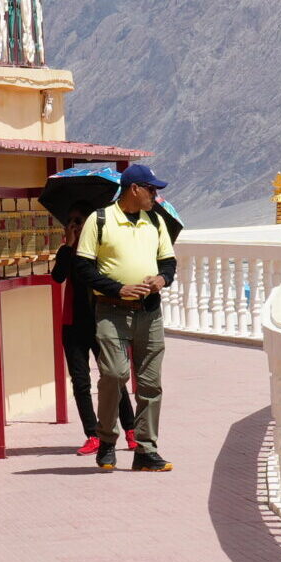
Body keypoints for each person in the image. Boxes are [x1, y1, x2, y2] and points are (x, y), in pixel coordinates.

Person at [72, 162, 176, 472]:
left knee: (150, 384)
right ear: (134, 189)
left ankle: (146, 449)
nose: (155, 196)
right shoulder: (100, 220)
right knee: (115, 375)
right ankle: (106, 441)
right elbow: (84, 268)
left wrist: (161, 280)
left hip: (150, 311)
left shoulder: (155, 221)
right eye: (151, 190)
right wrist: (120, 289)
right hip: (111, 310)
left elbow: (169, 263)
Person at [51, 204, 137, 455]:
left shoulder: (99, 251)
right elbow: (57, 277)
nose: (76, 225)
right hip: (73, 325)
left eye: (80, 221)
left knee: (113, 377)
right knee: (80, 382)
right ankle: (93, 434)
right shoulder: (66, 252)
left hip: (102, 323)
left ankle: (131, 430)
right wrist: (68, 245)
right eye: (72, 221)